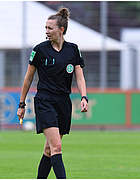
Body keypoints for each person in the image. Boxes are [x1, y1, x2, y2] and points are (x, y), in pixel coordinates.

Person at [17, 7, 88, 179]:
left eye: (50, 28)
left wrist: (84, 96)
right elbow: (27, 79)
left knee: (49, 149)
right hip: (44, 101)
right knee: (57, 147)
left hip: (63, 102)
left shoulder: (73, 50)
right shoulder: (40, 50)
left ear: (61, 30)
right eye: (45, 28)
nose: (46, 31)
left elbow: (79, 77)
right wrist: (22, 104)